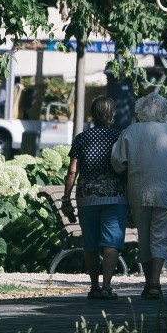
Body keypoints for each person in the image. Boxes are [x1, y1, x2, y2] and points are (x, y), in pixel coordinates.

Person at [111, 92, 167, 299]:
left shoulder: (131, 131)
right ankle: (155, 283)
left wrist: (127, 175)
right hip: (166, 190)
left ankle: (148, 282)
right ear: (165, 111)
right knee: (162, 235)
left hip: (139, 190)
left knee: (144, 236)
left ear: (141, 111)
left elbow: (118, 161)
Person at [62, 95, 126, 300]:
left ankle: (94, 286)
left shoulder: (82, 138)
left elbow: (72, 171)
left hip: (87, 197)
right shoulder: (119, 137)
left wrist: (66, 197)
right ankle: (107, 286)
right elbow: (126, 166)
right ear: (111, 115)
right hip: (114, 196)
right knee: (111, 242)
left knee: (90, 243)